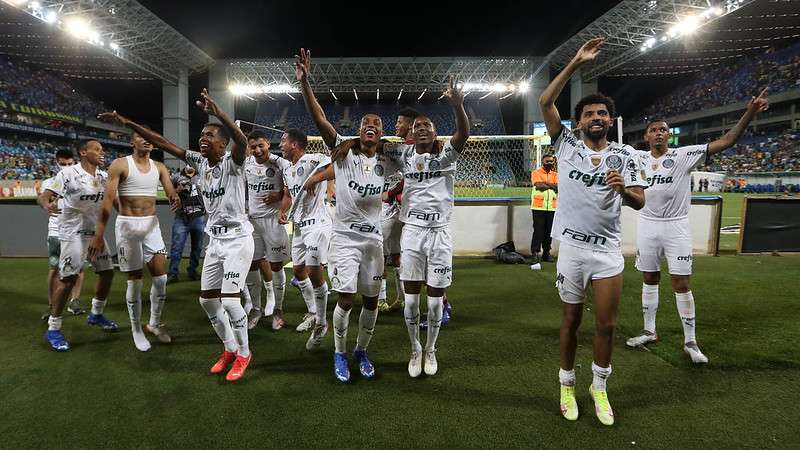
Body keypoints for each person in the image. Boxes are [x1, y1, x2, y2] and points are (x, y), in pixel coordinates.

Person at [99, 88, 254, 381]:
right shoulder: (199, 162)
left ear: (223, 144)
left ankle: (244, 353)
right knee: (207, 301)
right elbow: (163, 143)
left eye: (210, 136)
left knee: (231, 301)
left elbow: (242, 141)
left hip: (238, 240)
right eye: (202, 135)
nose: (203, 138)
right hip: (216, 240)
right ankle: (229, 347)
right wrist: (128, 122)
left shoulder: (234, 163)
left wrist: (220, 113)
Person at [538, 37, 647, 426]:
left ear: (609, 120)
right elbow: (545, 103)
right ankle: (567, 384)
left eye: (602, 113)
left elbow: (640, 201)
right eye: (589, 114)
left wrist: (624, 191)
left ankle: (598, 388)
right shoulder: (566, 145)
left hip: (606, 252)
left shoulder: (626, 156)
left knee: (607, 324)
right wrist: (575, 63)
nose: (596, 118)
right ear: (579, 122)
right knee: (570, 320)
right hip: (571, 249)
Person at [626, 88, 769, 363]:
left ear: (668, 135)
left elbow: (727, 141)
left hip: (676, 226)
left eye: (663, 130)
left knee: (681, 282)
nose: (658, 133)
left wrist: (750, 112)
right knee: (649, 278)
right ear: (646, 136)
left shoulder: (684, 155)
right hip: (648, 225)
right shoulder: (638, 158)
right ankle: (649, 330)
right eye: (653, 130)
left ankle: (690, 342)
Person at [297, 48, 399, 382]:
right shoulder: (342, 152)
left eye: (377, 124)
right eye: (365, 123)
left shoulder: (388, 159)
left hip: (373, 239)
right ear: (358, 130)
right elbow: (320, 120)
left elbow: (417, 150)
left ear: (382, 133)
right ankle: (339, 354)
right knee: (346, 298)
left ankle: (361, 351)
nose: (371, 125)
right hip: (344, 239)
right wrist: (306, 83)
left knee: (371, 302)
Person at [395, 75, 469, 378]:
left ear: (435, 132)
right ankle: (415, 349)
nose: (422, 129)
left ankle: (432, 349)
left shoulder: (446, 155)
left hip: (439, 234)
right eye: (417, 127)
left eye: (427, 126)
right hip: (411, 232)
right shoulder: (402, 156)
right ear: (411, 135)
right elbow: (367, 148)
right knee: (411, 301)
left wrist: (458, 107)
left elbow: (463, 132)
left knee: (436, 303)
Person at [90, 130, 180, 352]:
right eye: (141, 136)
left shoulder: (159, 167)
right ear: (132, 141)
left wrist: (175, 197)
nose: (147, 139)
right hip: (128, 227)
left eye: (150, 137)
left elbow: (171, 191)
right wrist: (99, 235)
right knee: (135, 280)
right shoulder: (120, 164)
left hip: (151, 226)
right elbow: (107, 202)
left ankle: (154, 323)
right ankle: (136, 329)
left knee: (161, 279)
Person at [39, 139, 120, 351]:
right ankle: (53, 328)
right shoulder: (67, 174)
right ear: (84, 152)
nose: (102, 153)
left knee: (107, 272)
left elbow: (116, 203)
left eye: (103, 150)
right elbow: (45, 196)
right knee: (68, 279)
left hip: (95, 234)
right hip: (72, 233)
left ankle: (96, 314)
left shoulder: (103, 177)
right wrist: (47, 205)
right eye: (97, 149)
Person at [243, 129, 291, 330]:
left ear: (268, 144)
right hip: (252, 222)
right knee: (252, 265)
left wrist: (278, 196)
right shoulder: (246, 164)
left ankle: (278, 309)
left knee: (276, 266)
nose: (257, 150)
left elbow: (291, 190)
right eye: (253, 146)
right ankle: (256, 308)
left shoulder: (280, 164)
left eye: (260, 145)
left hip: (273, 221)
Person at [377, 107, 418, 313]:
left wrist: (391, 193)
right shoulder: (399, 149)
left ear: (410, 125)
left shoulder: (413, 149)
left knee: (387, 255)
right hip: (396, 209)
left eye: (399, 122)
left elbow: (410, 178)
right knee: (394, 255)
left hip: (401, 209)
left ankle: (384, 298)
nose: (396, 125)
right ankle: (399, 298)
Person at [38, 149, 86, 321]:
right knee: (54, 269)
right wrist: (48, 205)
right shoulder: (49, 183)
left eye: (70, 164)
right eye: (63, 164)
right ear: (56, 163)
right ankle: (52, 306)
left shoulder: (81, 181)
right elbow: (46, 201)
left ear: (75, 163)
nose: (66, 167)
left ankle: (75, 301)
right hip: (56, 231)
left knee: (79, 267)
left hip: (76, 230)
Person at [167, 165, 206, 284]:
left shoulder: (203, 175)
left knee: (197, 247)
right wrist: (177, 191)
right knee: (176, 247)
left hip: (199, 217)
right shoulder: (176, 177)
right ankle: (173, 273)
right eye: (187, 162)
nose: (190, 165)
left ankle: (192, 270)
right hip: (181, 217)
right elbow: (168, 194)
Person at [530, 154, 558, 263]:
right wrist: (552, 185)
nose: (550, 163)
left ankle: (546, 253)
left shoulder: (556, 174)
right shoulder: (536, 173)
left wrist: (546, 183)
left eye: (551, 161)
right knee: (538, 231)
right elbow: (539, 186)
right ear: (543, 162)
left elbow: (558, 187)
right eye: (547, 162)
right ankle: (535, 253)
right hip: (538, 207)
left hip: (552, 207)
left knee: (549, 232)